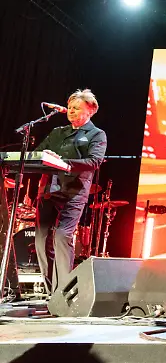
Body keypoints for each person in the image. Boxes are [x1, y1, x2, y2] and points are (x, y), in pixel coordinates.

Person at [34, 89, 107, 294]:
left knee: (62, 236)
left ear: (90, 111)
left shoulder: (96, 134)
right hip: (48, 189)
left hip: (73, 192)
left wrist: (63, 162)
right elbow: (38, 154)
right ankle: (52, 292)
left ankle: (64, 291)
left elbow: (94, 162)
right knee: (41, 239)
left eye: (77, 108)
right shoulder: (58, 132)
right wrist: (43, 154)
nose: (71, 112)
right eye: (70, 108)